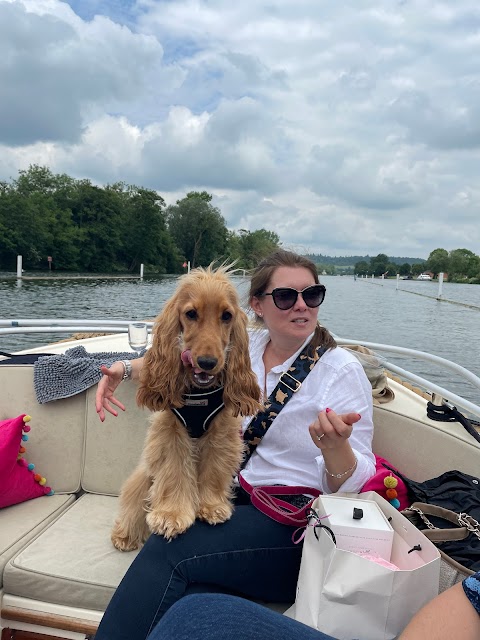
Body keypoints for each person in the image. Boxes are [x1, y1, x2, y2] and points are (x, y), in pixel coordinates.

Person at [94, 250, 376, 640]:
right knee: (185, 597)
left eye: (312, 295)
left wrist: (335, 447)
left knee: (169, 548)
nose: (300, 305)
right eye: (285, 296)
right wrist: (121, 369)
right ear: (257, 305)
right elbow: (179, 357)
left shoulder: (341, 369)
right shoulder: (245, 345)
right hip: (237, 496)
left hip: (292, 522)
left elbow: (358, 481)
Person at [146, 571, 480, 640]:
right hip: (240, 493)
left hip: (294, 513)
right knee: (197, 612)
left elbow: (350, 484)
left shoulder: (340, 384)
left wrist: (335, 448)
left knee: (175, 556)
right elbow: (472, 595)